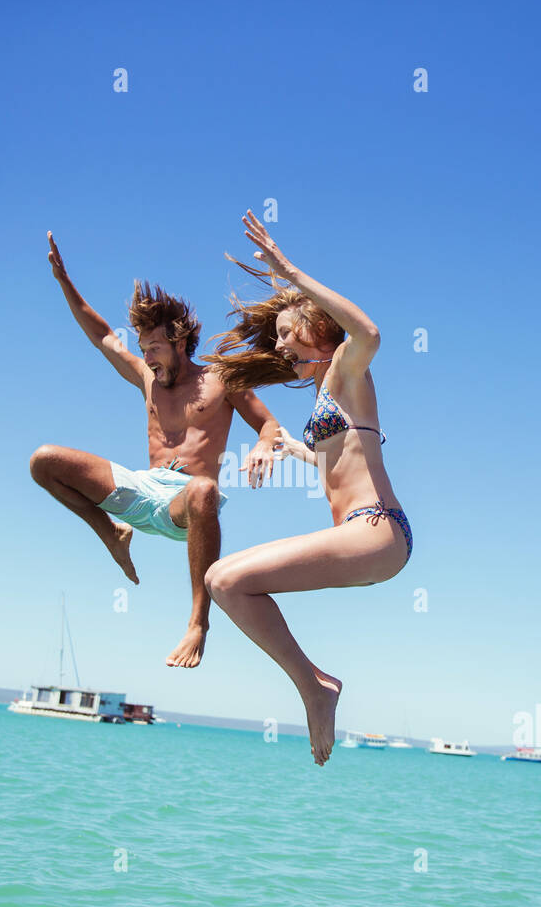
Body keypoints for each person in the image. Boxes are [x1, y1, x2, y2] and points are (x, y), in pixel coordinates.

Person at [203, 212, 411, 766]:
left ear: (314, 328)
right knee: (226, 583)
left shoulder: (347, 365)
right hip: (362, 536)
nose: (279, 347)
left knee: (223, 579)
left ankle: (315, 689)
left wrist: (288, 270)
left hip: (377, 529)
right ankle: (314, 687)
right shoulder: (326, 391)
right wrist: (279, 447)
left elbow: (370, 331)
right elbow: (334, 461)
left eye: (285, 334)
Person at [30, 231, 282, 668]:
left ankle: (198, 623)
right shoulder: (147, 377)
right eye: (144, 348)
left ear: (181, 343)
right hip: (141, 488)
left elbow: (270, 424)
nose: (147, 358)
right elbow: (102, 335)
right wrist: (63, 280)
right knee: (44, 461)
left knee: (204, 489)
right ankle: (112, 533)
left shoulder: (221, 379)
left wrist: (263, 445)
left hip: (184, 506)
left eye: (155, 348)